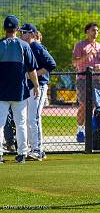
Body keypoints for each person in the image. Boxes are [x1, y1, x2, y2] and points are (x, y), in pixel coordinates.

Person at [0, 15, 39, 163]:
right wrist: (36, 86)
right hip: (19, 91)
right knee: (21, 122)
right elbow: (32, 70)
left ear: (4, 29)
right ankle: (22, 153)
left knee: (0, 123)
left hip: (1, 91)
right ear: (17, 29)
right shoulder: (24, 45)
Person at [20, 23, 56, 160]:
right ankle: (34, 148)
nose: (21, 34)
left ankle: (38, 150)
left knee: (33, 117)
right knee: (29, 118)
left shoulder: (36, 46)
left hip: (39, 86)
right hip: (29, 86)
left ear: (31, 34)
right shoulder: (25, 46)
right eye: (21, 32)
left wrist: (33, 75)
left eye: (24, 32)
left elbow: (51, 64)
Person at [72, 22, 100, 142]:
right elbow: (75, 63)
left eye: (97, 30)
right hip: (82, 79)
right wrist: (88, 55)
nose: (95, 32)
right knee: (84, 105)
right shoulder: (80, 45)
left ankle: (89, 131)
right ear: (87, 32)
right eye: (93, 30)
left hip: (95, 79)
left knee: (95, 106)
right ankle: (80, 130)